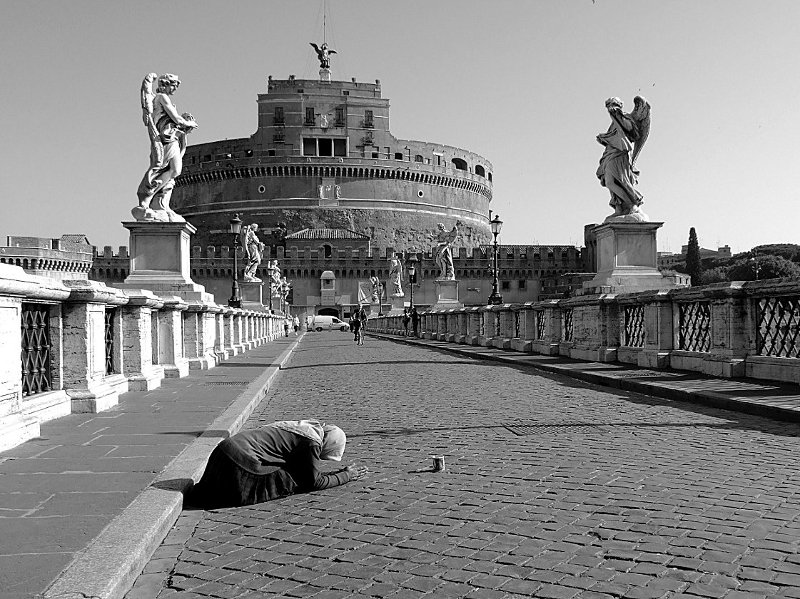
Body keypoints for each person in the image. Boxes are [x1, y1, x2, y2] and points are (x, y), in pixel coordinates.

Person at [187, 419, 368, 509]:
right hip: (238, 462)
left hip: (223, 451)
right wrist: (346, 475)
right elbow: (313, 482)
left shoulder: (305, 428)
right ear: (327, 445)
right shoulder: (312, 443)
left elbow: (310, 472)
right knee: (288, 479)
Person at [135, 73, 198, 222]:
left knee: (171, 171)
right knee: (169, 168)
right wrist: (189, 124)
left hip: (171, 138)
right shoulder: (162, 98)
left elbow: (174, 121)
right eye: (173, 86)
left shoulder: (163, 99)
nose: (175, 89)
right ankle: (147, 197)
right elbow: (176, 118)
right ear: (166, 84)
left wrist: (183, 129)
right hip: (165, 139)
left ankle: (160, 204)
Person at [596, 96, 651, 219]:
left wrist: (618, 116)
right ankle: (620, 207)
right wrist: (603, 138)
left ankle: (633, 204)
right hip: (610, 154)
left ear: (618, 105)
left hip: (621, 154)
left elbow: (631, 130)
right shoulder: (613, 122)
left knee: (622, 180)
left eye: (612, 104)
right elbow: (614, 137)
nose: (610, 107)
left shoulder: (625, 116)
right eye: (608, 105)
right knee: (609, 182)